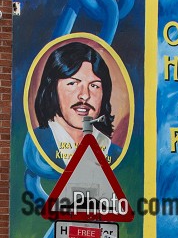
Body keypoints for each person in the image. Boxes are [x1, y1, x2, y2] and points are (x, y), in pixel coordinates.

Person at [32, 37, 119, 166]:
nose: (85, 95)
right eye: (73, 83)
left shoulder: (115, 153)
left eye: (94, 86)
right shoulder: (34, 145)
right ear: (52, 89)